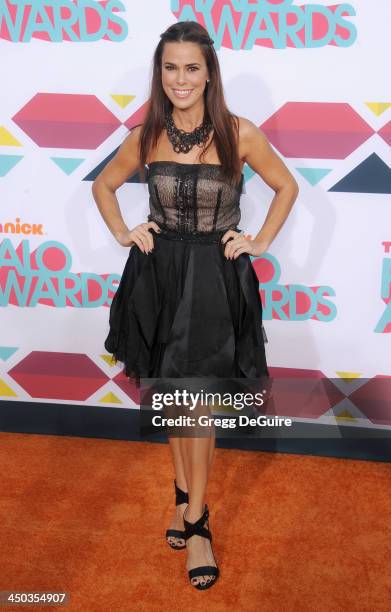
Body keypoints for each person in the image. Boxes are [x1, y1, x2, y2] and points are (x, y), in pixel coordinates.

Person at [92, 21, 299, 591]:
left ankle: (196, 519)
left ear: (209, 73)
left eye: (191, 68)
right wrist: (122, 231)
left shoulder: (239, 132)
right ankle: (185, 495)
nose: (180, 79)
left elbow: (287, 187)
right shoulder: (147, 133)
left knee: (197, 403)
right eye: (169, 67)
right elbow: (104, 187)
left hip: (214, 276)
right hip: (158, 274)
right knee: (173, 395)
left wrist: (257, 241)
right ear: (159, 73)